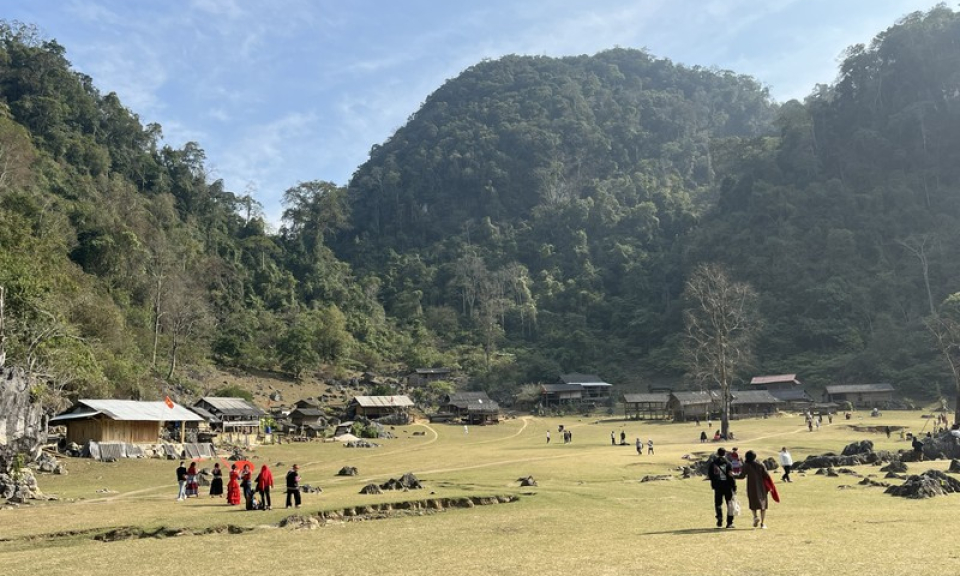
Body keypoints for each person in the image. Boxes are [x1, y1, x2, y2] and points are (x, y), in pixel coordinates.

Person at [735, 450, 773, 529]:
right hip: (761, 487)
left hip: (751, 486)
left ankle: (755, 517)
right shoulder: (760, 464)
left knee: (753, 503)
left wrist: (733, 475)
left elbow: (741, 476)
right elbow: (766, 475)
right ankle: (762, 524)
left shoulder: (746, 465)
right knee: (763, 505)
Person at [707, 448, 736, 529]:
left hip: (718, 486)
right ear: (725, 453)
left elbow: (710, 475)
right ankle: (729, 522)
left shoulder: (713, 464)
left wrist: (713, 484)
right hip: (727, 486)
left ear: (717, 453)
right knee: (729, 504)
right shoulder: (728, 463)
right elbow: (731, 476)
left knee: (718, 503)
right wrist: (734, 487)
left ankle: (719, 517)